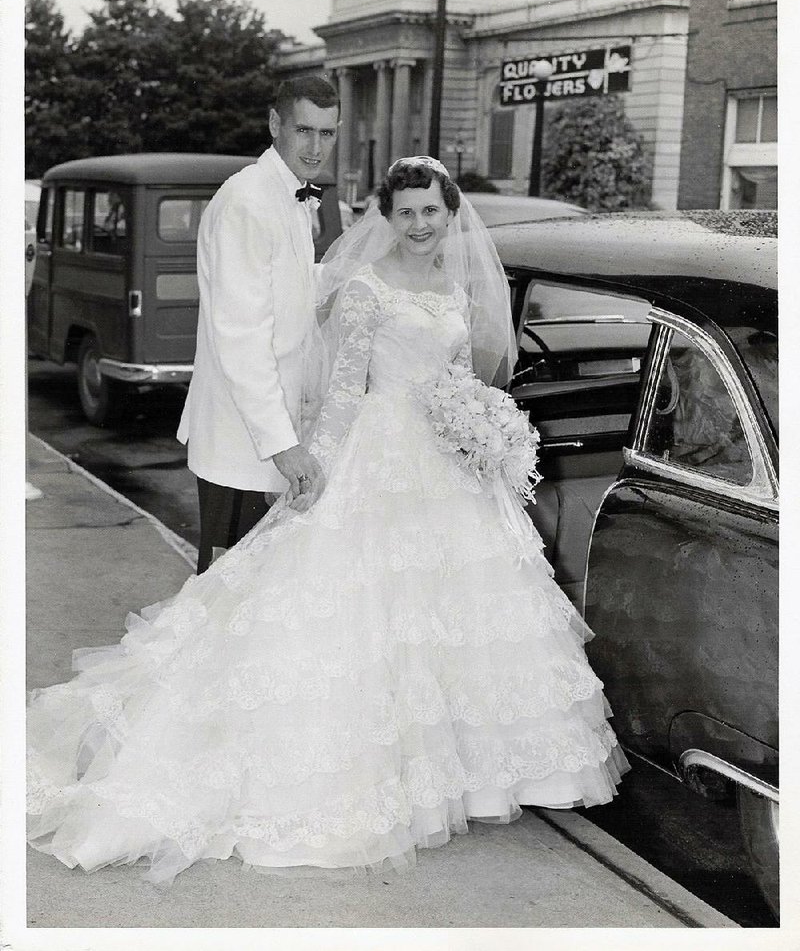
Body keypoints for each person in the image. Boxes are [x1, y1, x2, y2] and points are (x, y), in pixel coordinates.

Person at [27, 157, 629, 886]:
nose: (418, 226)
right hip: (378, 457)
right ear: (386, 216)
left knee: (453, 617)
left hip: (446, 462)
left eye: (430, 212)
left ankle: (472, 778)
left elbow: (463, 375)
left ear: (449, 214)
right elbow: (344, 390)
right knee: (361, 615)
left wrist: (483, 430)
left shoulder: (457, 288)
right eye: (405, 212)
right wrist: (310, 468)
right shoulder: (365, 289)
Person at [177, 75, 340, 573]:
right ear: (275, 124)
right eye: (304, 130)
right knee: (224, 603)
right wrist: (281, 444)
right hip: (243, 443)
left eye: (327, 134)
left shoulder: (286, 194)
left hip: (267, 436)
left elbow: (290, 289)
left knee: (251, 603)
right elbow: (240, 336)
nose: (315, 147)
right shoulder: (248, 200)